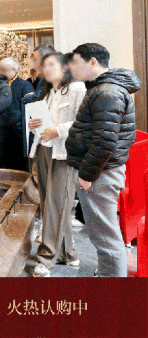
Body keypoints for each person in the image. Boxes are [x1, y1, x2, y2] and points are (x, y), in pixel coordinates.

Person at [65, 43, 142, 277]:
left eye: (76, 63)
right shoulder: (104, 88)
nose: (72, 69)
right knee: (103, 233)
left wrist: (87, 175)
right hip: (102, 170)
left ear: (93, 61)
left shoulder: (107, 92)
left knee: (105, 237)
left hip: (100, 172)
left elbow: (105, 141)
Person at [28, 52, 86, 277]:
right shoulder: (48, 92)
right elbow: (43, 125)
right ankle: (67, 252)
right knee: (49, 204)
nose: (47, 68)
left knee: (57, 204)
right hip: (44, 149)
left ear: (65, 66)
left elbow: (84, 122)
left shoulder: (77, 88)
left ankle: (46, 258)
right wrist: (34, 125)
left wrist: (58, 130)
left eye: (52, 64)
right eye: (45, 65)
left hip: (64, 153)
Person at [0, 57, 34, 172]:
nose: (0, 73)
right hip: (0, 131)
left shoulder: (24, 85)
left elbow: (30, 109)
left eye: (3, 70)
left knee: (19, 166)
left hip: (18, 132)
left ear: (14, 70)